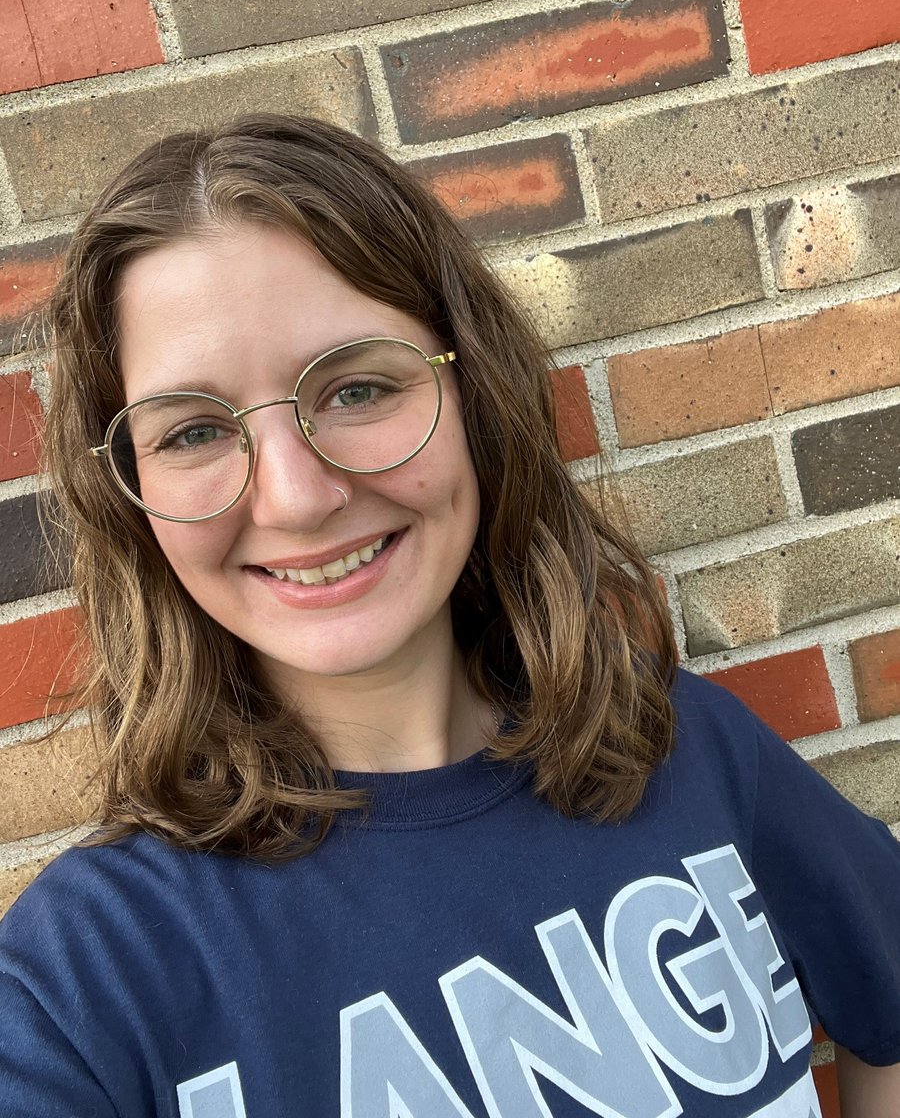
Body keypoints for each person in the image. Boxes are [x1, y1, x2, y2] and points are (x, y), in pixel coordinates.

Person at [0, 114, 897, 1118]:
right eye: (194, 432)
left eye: (357, 388)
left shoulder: (677, 744)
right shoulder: (81, 986)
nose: (296, 498)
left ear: (474, 393)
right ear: (129, 489)